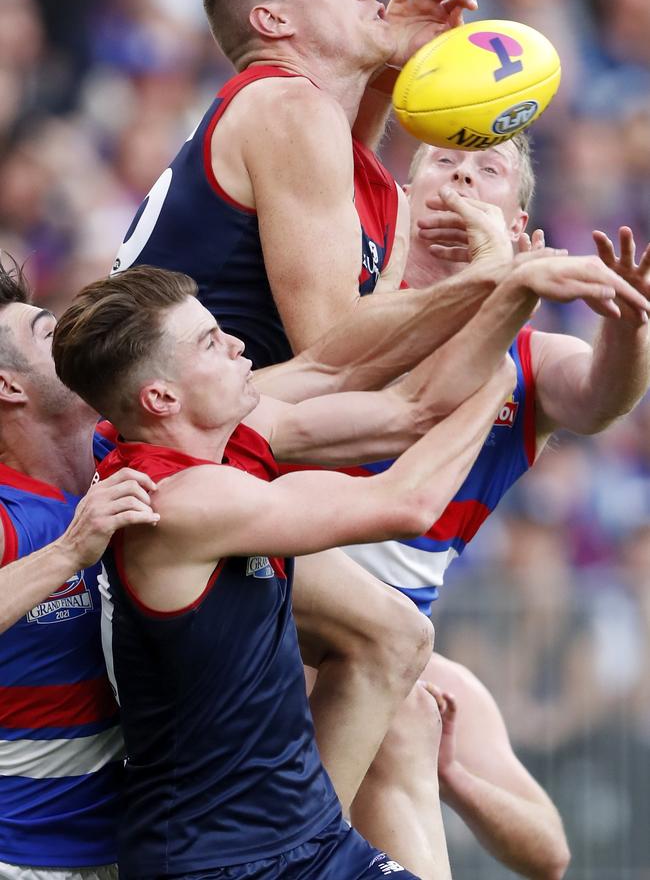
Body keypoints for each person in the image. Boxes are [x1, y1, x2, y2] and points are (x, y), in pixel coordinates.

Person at [106, 0, 648, 823]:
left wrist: (391, 64)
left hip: (206, 445)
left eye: (481, 171)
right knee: (394, 644)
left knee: (411, 682)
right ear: (276, 20)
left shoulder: (315, 132)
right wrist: (501, 282)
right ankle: (298, 848)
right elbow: (345, 356)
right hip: (182, 454)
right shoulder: (286, 110)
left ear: (521, 215)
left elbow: (582, 396)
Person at [51, 263, 519, 880]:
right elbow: (408, 503)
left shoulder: (232, 437)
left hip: (309, 842)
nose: (237, 344)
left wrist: (511, 292)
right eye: (211, 342)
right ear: (161, 398)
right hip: (216, 863)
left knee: (393, 636)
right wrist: (505, 376)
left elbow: (414, 410)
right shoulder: (179, 499)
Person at [333, 135, 649, 878]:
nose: (465, 171)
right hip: (271, 603)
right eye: (442, 160)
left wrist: (629, 326)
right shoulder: (331, 312)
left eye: (490, 167)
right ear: (399, 201)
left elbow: (603, 396)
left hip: (388, 641)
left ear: (520, 227)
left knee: (409, 714)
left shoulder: (532, 362)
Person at [0, 258, 162, 879]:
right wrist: (68, 552)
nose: (71, 332)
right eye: (48, 332)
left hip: (129, 853)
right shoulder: (10, 514)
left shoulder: (121, 451)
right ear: (9, 386)